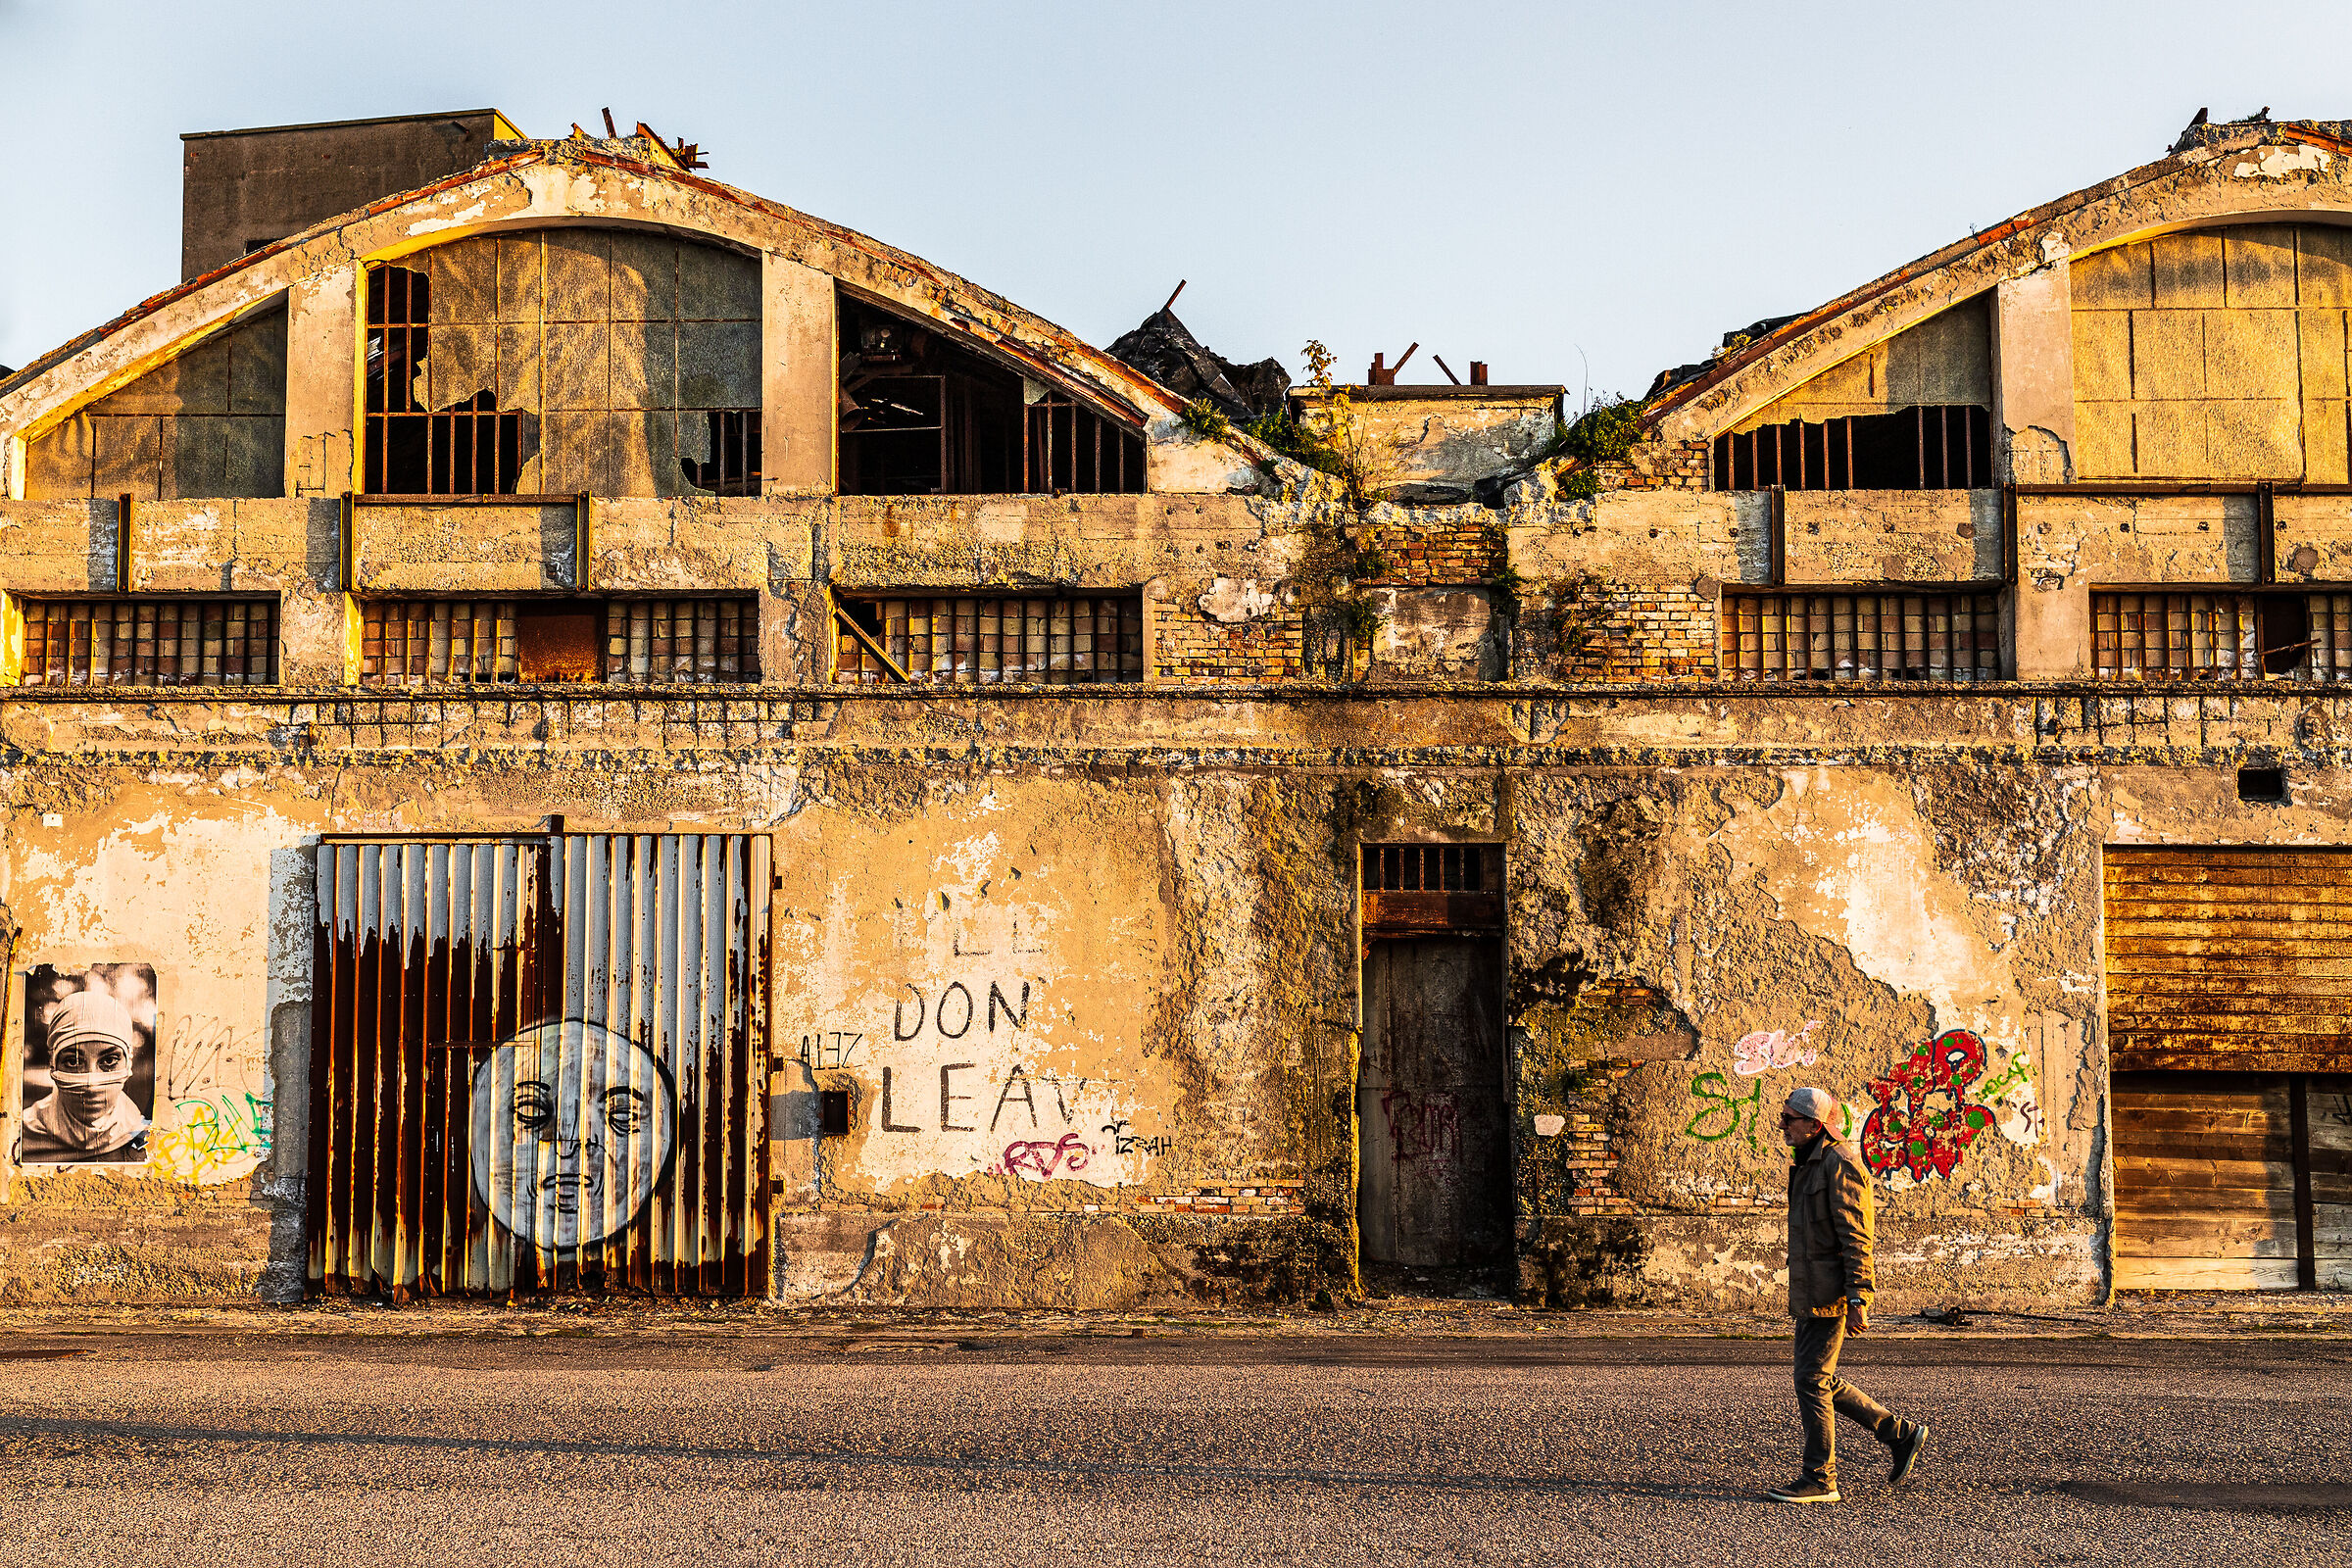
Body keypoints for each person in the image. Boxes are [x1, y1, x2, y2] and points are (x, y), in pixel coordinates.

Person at [1767, 1085, 1928, 1504]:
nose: (1781, 1125)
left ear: (1814, 1125)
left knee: (1811, 1379)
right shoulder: (1809, 1160)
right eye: (1783, 1116)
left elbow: (1857, 1236)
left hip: (1833, 1292)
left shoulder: (1840, 1162)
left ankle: (1821, 1478)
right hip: (1812, 1289)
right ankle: (1900, 1434)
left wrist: (1859, 1297)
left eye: (1789, 1119)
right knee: (1816, 1378)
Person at [21, 989, 150, 1162]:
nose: (92, 1085)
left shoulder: (144, 1142)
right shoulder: (15, 1139)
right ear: (53, 1064)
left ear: (129, 1062)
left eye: (110, 1061)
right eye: (73, 1062)